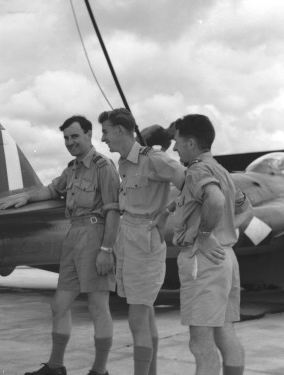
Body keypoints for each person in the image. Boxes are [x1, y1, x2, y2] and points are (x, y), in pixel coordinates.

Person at [1, 115, 120, 375]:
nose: (70, 142)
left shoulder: (103, 166)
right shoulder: (73, 168)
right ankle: (55, 366)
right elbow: (53, 190)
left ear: (89, 135)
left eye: (75, 136)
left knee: (98, 306)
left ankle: (100, 370)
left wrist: (106, 250)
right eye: (66, 138)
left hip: (95, 234)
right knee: (59, 304)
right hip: (73, 234)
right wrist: (26, 199)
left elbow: (113, 210)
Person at [98, 108, 185, 375]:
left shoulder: (154, 159)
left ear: (120, 130)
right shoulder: (124, 162)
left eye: (105, 131)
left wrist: (167, 212)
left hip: (145, 242)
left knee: (137, 316)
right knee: (145, 314)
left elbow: (195, 185)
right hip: (128, 239)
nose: (103, 139)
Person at [170, 114, 250, 375]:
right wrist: (223, 228)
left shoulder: (197, 170)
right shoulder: (222, 171)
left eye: (177, 141)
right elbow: (248, 211)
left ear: (191, 143)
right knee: (225, 334)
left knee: (200, 343)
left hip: (203, 262)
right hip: (226, 258)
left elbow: (214, 201)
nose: (174, 148)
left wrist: (205, 234)